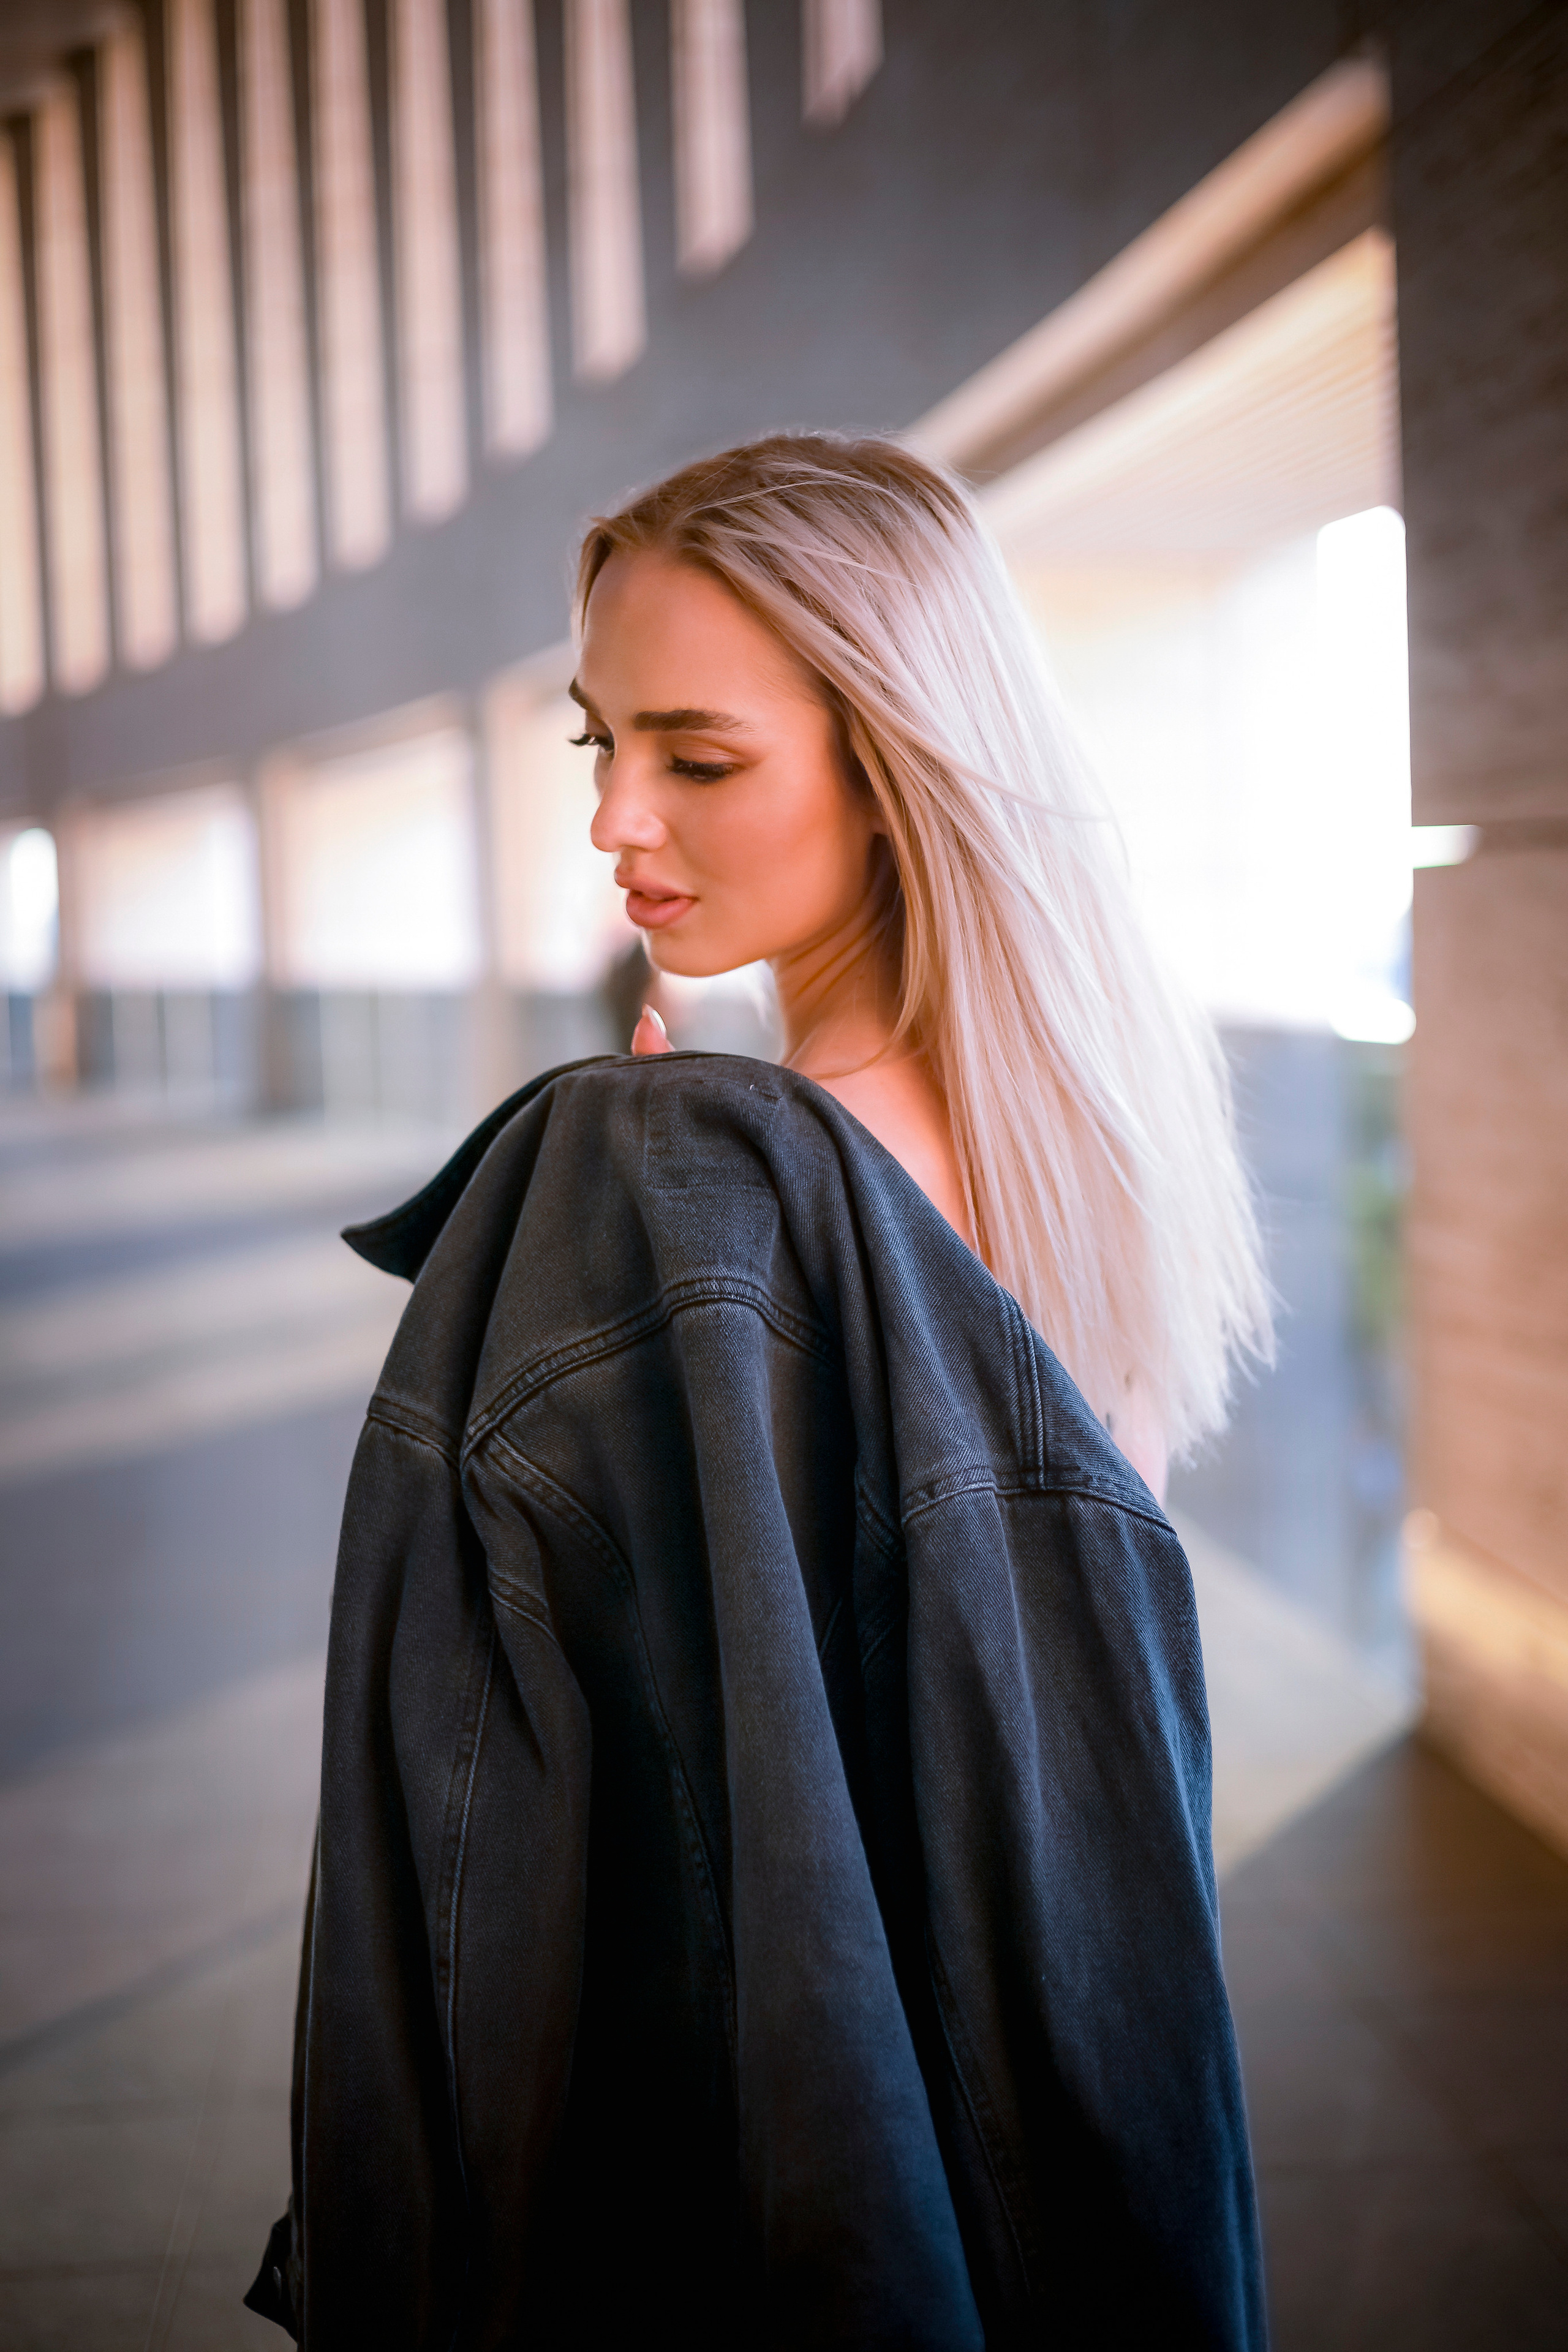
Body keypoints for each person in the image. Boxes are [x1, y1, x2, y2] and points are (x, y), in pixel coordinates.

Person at [248, 435, 1272, 2350]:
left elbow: (528, 1787)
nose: (617, 817)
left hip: (770, 2134)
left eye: (697, 758)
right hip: (1062, 2094)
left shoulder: (709, 1191)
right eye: (596, 743)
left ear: (892, 770)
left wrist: (650, 1215)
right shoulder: (1077, 1140)